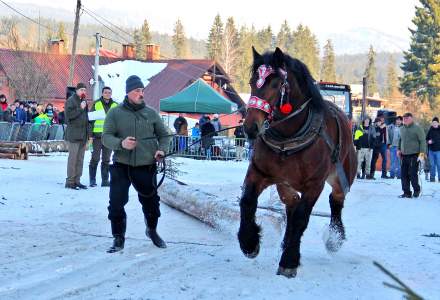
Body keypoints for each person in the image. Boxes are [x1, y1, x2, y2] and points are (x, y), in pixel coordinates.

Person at [102, 75, 171, 253]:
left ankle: (152, 230)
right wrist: (121, 144)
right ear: (128, 92)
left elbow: (164, 136)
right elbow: (106, 137)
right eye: (137, 91)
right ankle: (118, 237)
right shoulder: (115, 113)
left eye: (142, 91)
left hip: (146, 165)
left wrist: (161, 151)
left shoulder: (151, 113)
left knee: (151, 203)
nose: (141, 94)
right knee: (116, 203)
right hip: (121, 165)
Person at [89, 86, 118, 187]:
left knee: (106, 159)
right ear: (102, 93)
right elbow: (90, 120)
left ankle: (105, 180)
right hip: (97, 136)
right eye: (105, 92)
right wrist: (90, 135)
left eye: (109, 92)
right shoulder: (96, 104)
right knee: (95, 158)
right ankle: (92, 180)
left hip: (109, 137)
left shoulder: (115, 105)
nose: (107, 94)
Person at [64, 83, 90, 190]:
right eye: (81, 90)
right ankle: (70, 181)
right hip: (74, 135)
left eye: (85, 90)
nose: (83, 92)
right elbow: (69, 116)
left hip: (83, 135)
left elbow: (85, 118)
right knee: (73, 159)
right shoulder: (71, 100)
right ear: (77, 90)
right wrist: (80, 108)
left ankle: (77, 181)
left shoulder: (84, 102)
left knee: (80, 159)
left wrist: (88, 133)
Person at [398, 112, 426, 198]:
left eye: (407, 118)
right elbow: (400, 140)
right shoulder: (401, 128)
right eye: (404, 119)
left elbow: (422, 141)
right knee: (403, 174)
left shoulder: (417, 128)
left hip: (414, 155)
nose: (405, 120)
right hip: (404, 155)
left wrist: (421, 155)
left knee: (412, 174)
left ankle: (416, 190)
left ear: (411, 119)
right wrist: (399, 149)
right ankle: (406, 192)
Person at [426, 117, 440, 182]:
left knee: (439, 164)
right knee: (432, 165)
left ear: (438, 123)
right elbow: (427, 139)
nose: (434, 124)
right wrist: (428, 141)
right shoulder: (430, 130)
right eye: (433, 122)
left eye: (435, 122)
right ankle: (432, 178)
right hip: (431, 150)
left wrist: (434, 141)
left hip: (438, 150)